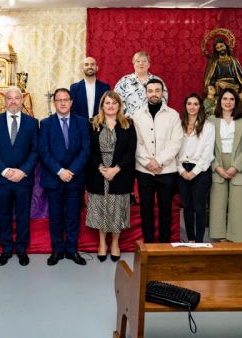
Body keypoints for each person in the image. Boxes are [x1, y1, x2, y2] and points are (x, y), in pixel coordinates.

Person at [0, 86, 39, 266]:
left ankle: (22, 249)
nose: (13, 101)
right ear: (5, 100)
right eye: (10, 98)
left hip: (23, 179)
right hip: (2, 179)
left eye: (17, 98)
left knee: (23, 215)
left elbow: (35, 150)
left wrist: (23, 171)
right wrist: (4, 171)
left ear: (22, 100)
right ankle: (7, 249)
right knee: (4, 214)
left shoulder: (32, 123)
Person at [38, 88, 90, 266]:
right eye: (59, 100)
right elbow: (43, 151)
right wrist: (60, 171)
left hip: (75, 178)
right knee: (56, 216)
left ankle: (72, 250)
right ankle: (57, 250)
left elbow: (85, 150)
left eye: (65, 99)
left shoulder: (82, 122)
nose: (62, 103)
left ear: (71, 102)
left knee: (73, 216)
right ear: (54, 103)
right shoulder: (45, 123)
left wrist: (71, 171)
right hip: (54, 178)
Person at [85, 91, 137, 262]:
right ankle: (102, 243)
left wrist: (115, 169)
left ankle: (115, 243)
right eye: (107, 103)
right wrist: (101, 167)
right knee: (101, 209)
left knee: (117, 210)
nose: (111, 106)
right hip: (98, 173)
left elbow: (131, 151)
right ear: (102, 105)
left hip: (120, 173)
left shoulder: (128, 124)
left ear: (119, 105)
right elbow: (89, 150)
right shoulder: (93, 124)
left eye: (114, 103)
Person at [132, 79, 183, 243]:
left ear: (162, 93)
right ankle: (148, 246)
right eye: (150, 91)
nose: (154, 94)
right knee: (146, 209)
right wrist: (148, 163)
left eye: (157, 90)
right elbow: (136, 143)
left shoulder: (173, 115)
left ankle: (164, 246)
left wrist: (159, 161)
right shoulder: (137, 115)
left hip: (167, 171)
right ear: (146, 93)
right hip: (144, 171)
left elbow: (176, 142)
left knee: (165, 210)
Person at [208, 88, 242, 242]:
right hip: (218, 163)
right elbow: (207, 147)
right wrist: (217, 167)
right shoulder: (211, 120)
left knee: (240, 204)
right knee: (217, 203)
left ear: (236, 102)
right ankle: (219, 236)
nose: (228, 102)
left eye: (231, 99)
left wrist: (235, 167)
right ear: (219, 101)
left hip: (239, 164)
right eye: (225, 99)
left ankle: (238, 238)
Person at [176, 93, 215, 243]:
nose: (192, 107)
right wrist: (181, 170)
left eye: (195, 104)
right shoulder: (179, 125)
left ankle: (199, 241)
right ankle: (191, 239)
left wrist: (194, 172)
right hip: (182, 170)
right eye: (189, 104)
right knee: (187, 207)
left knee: (199, 207)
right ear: (185, 106)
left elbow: (208, 152)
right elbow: (174, 149)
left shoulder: (208, 126)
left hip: (200, 171)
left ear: (200, 107)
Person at [114, 51, 168, 117]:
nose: (141, 63)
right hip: (129, 120)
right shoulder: (124, 81)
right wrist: (129, 118)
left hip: (152, 120)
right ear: (133, 64)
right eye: (138, 61)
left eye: (144, 61)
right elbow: (117, 100)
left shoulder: (158, 81)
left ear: (149, 64)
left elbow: (163, 100)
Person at [203, 38, 242, 102]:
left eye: (221, 46)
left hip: (234, 89)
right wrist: (218, 83)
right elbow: (208, 80)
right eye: (217, 48)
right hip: (220, 89)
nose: (220, 49)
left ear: (226, 45)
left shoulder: (234, 60)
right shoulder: (214, 61)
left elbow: (241, 78)